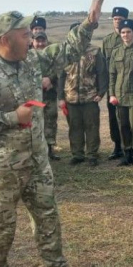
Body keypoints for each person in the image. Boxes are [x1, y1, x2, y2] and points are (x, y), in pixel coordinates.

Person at [0, 0, 106, 267]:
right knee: (2, 221)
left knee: (47, 215)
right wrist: (12, 116)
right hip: (5, 163)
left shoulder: (32, 63)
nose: (31, 38)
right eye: (25, 33)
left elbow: (67, 50)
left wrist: (89, 23)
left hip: (37, 158)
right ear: (5, 38)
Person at [57, 24, 107, 166]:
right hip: (71, 97)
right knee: (75, 127)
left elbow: (102, 73)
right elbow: (61, 75)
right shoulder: (65, 52)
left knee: (91, 127)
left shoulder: (95, 51)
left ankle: (92, 154)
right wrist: (60, 97)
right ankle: (77, 154)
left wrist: (101, 92)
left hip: (90, 96)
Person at [108, 18, 133, 165]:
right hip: (119, 95)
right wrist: (112, 94)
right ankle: (127, 153)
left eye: (128, 32)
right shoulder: (116, 52)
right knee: (123, 125)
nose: (125, 35)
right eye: (123, 32)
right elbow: (112, 74)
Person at [101, 7, 130, 160]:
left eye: (120, 18)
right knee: (113, 117)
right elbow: (104, 64)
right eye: (115, 18)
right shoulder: (107, 40)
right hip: (112, 86)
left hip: (128, 86)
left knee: (127, 118)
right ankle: (117, 146)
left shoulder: (131, 37)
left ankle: (128, 147)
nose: (117, 21)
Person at [32, 31, 61, 160]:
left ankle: (50, 149)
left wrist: (50, 78)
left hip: (50, 94)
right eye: (37, 41)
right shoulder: (28, 56)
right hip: (35, 96)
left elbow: (59, 68)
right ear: (33, 42)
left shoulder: (53, 54)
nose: (40, 44)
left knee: (50, 120)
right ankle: (37, 152)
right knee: (36, 122)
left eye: (42, 41)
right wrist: (40, 81)